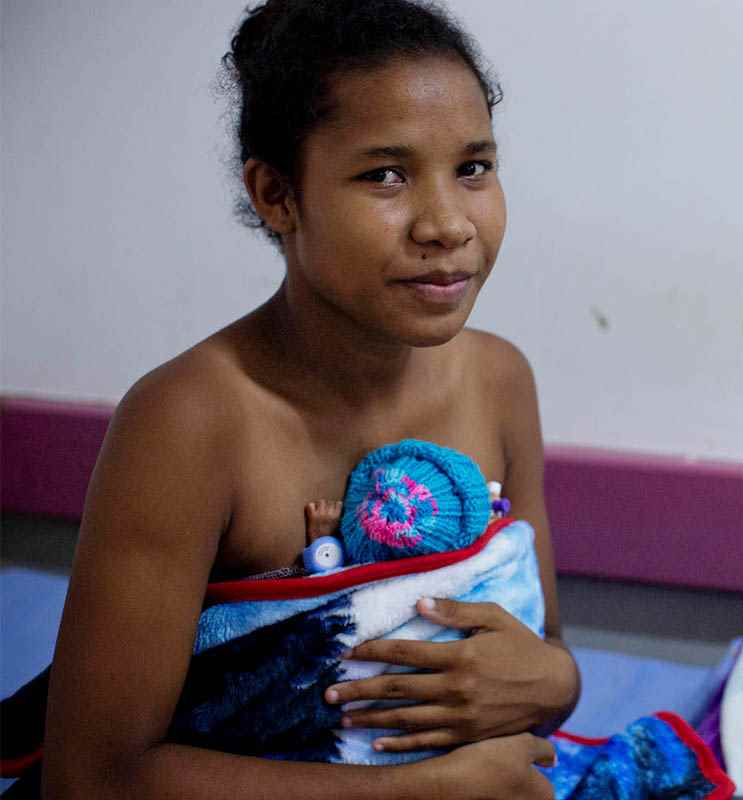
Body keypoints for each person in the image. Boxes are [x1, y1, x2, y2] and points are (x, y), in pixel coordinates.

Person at [41, 2, 579, 798]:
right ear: (276, 195)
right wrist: (423, 790)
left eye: (473, 167)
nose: (446, 223)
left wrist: (558, 685)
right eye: (384, 175)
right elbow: (93, 778)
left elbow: (544, 653)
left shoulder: (500, 380)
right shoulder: (191, 424)